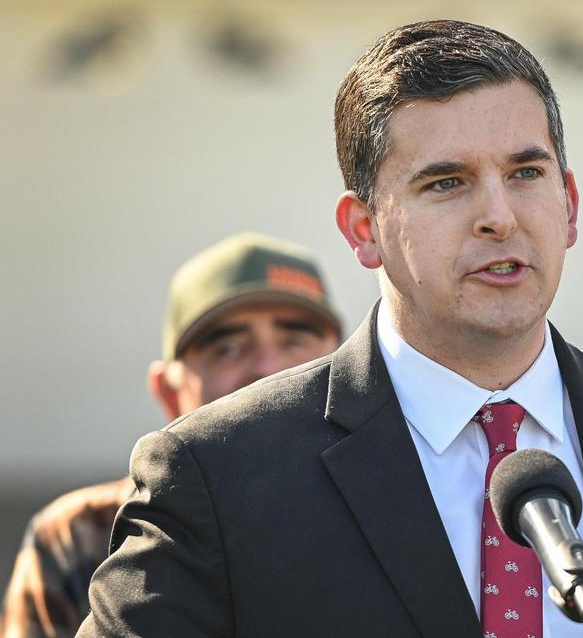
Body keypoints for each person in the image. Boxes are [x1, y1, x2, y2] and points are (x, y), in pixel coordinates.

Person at [74, 20, 583, 638]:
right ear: (363, 228)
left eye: (526, 173)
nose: (498, 214)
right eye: (447, 182)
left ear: (569, 203)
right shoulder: (219, 475)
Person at [0, 233, 342, 638]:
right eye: (228, 347)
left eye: (296, 340)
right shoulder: (82, 535)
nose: (268, 368)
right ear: (168, 390)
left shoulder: (406, 501)